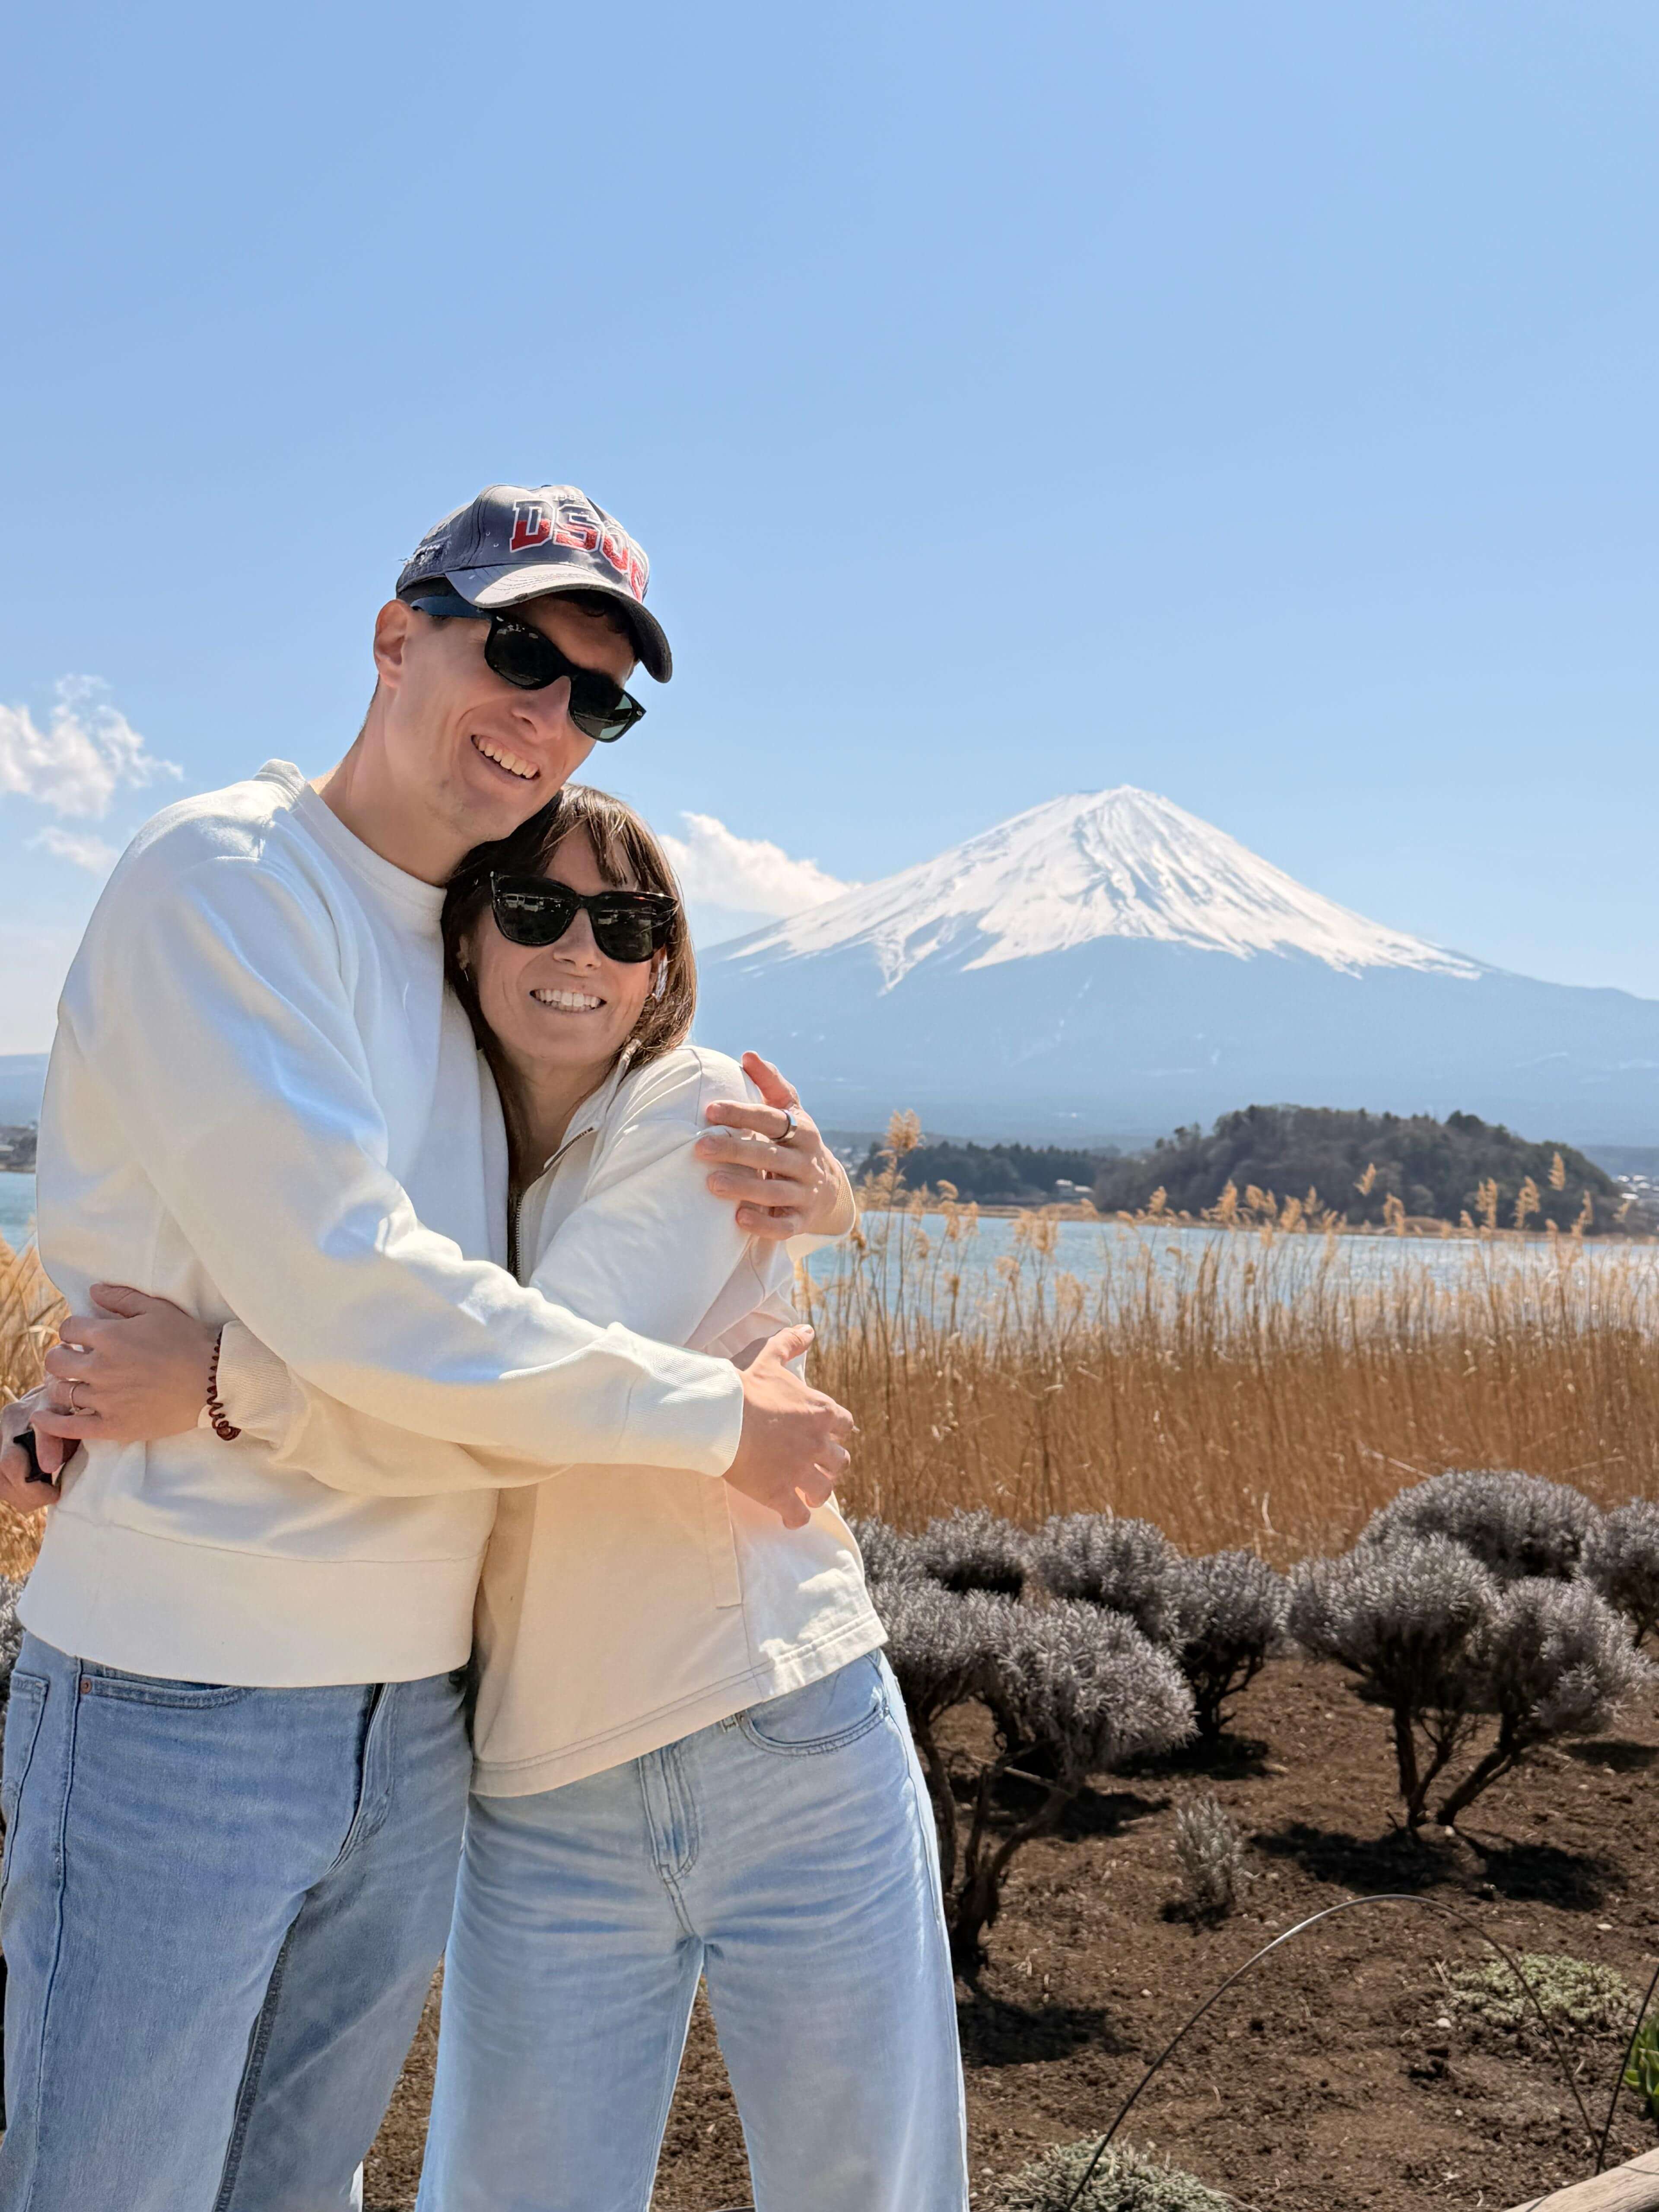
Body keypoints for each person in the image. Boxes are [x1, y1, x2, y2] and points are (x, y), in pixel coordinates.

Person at [0, 484, 856, 2212]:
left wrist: (815, 1204)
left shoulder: (477, 943)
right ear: (397, 639)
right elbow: (369, 1300)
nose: (550, 714)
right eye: (520, 653)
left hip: (414, 1723)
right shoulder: (230, 879)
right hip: (182, 1696)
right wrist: (714, 1420)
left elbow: (555, 1264)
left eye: (598, 697)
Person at [55, 783, 970, 2212]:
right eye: (537, 909)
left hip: (775, 1730)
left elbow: (511, 1384)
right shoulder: (434, 1147)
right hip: (542, 1780)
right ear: (468, 934)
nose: (580, 950)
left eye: (627, 925)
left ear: (663, 968)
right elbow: (329, 1289)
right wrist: (77, 1401)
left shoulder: (703, 1116)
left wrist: (225, 1387)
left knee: (868, 2188)